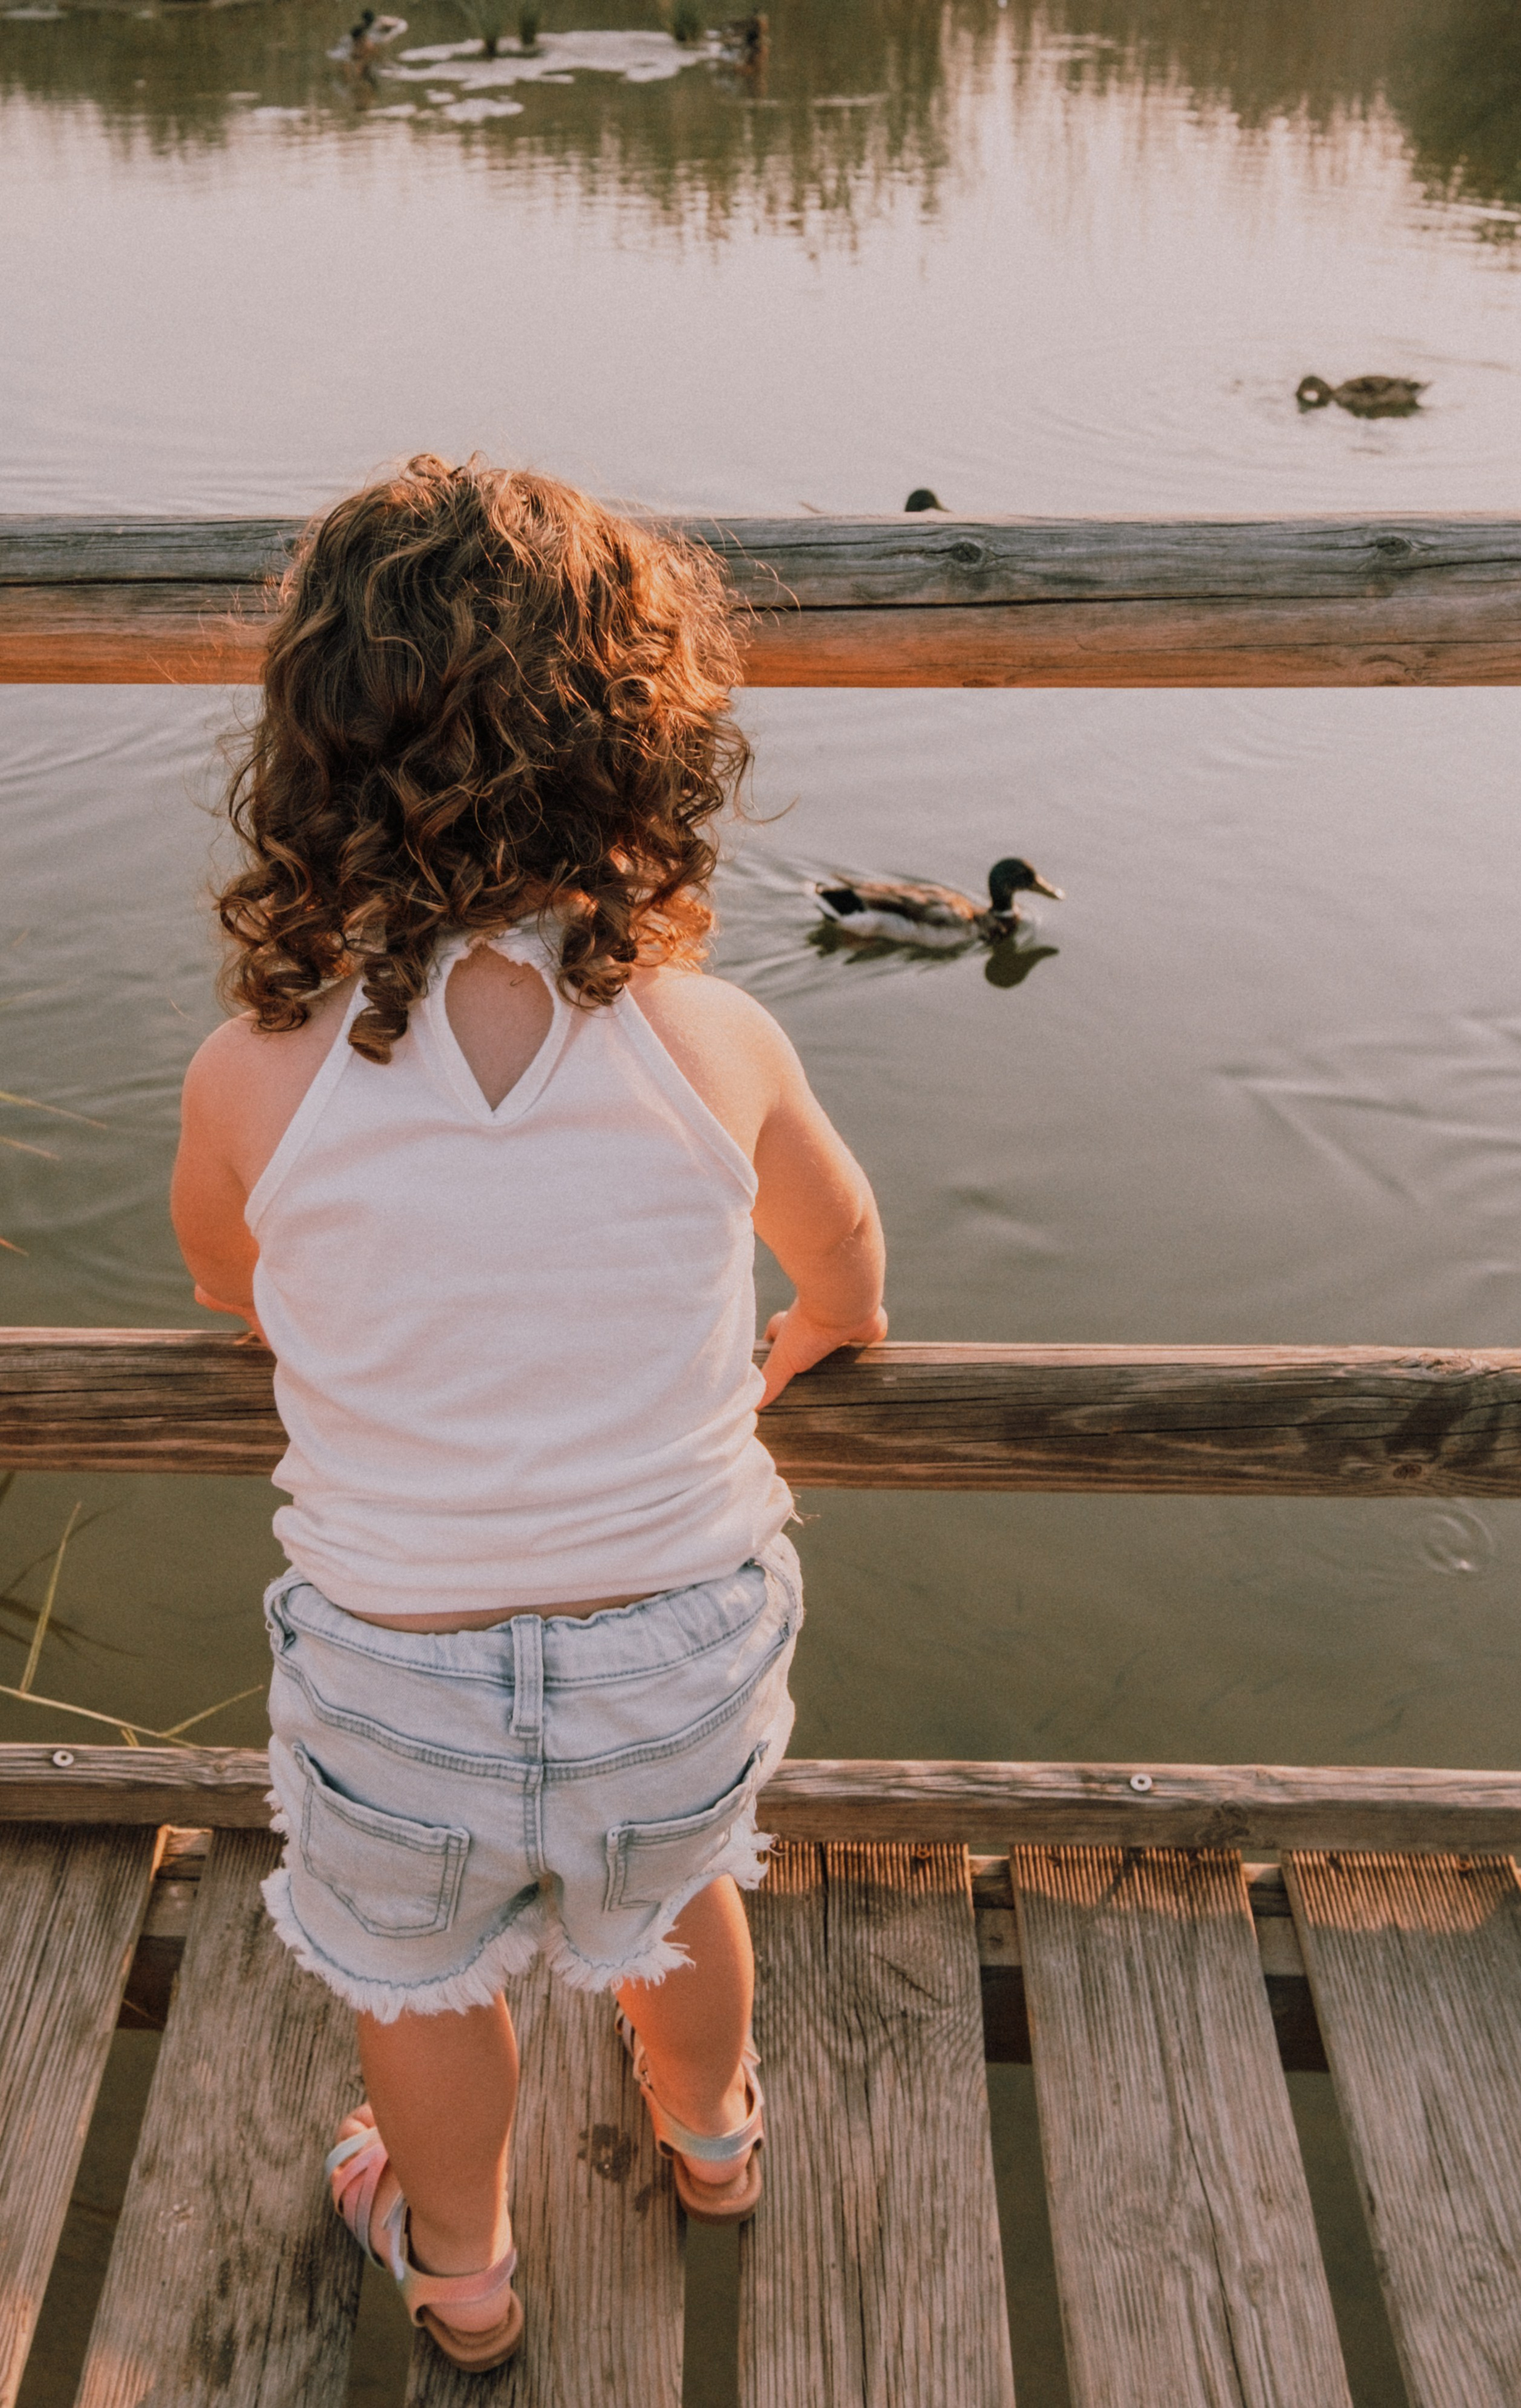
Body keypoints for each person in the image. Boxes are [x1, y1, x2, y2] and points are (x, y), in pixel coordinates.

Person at [170, 456, 886, 2372]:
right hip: (676, 1637)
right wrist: (829, 1325)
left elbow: (229, 1279)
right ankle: (713, 2138)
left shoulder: (256, 1067)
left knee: (420, 1979)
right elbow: (844, 1253)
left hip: (398, 1662)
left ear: (315, 757)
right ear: (643, 752)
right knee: (678, 1895)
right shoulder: (713, 1035)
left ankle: (464, 2269)